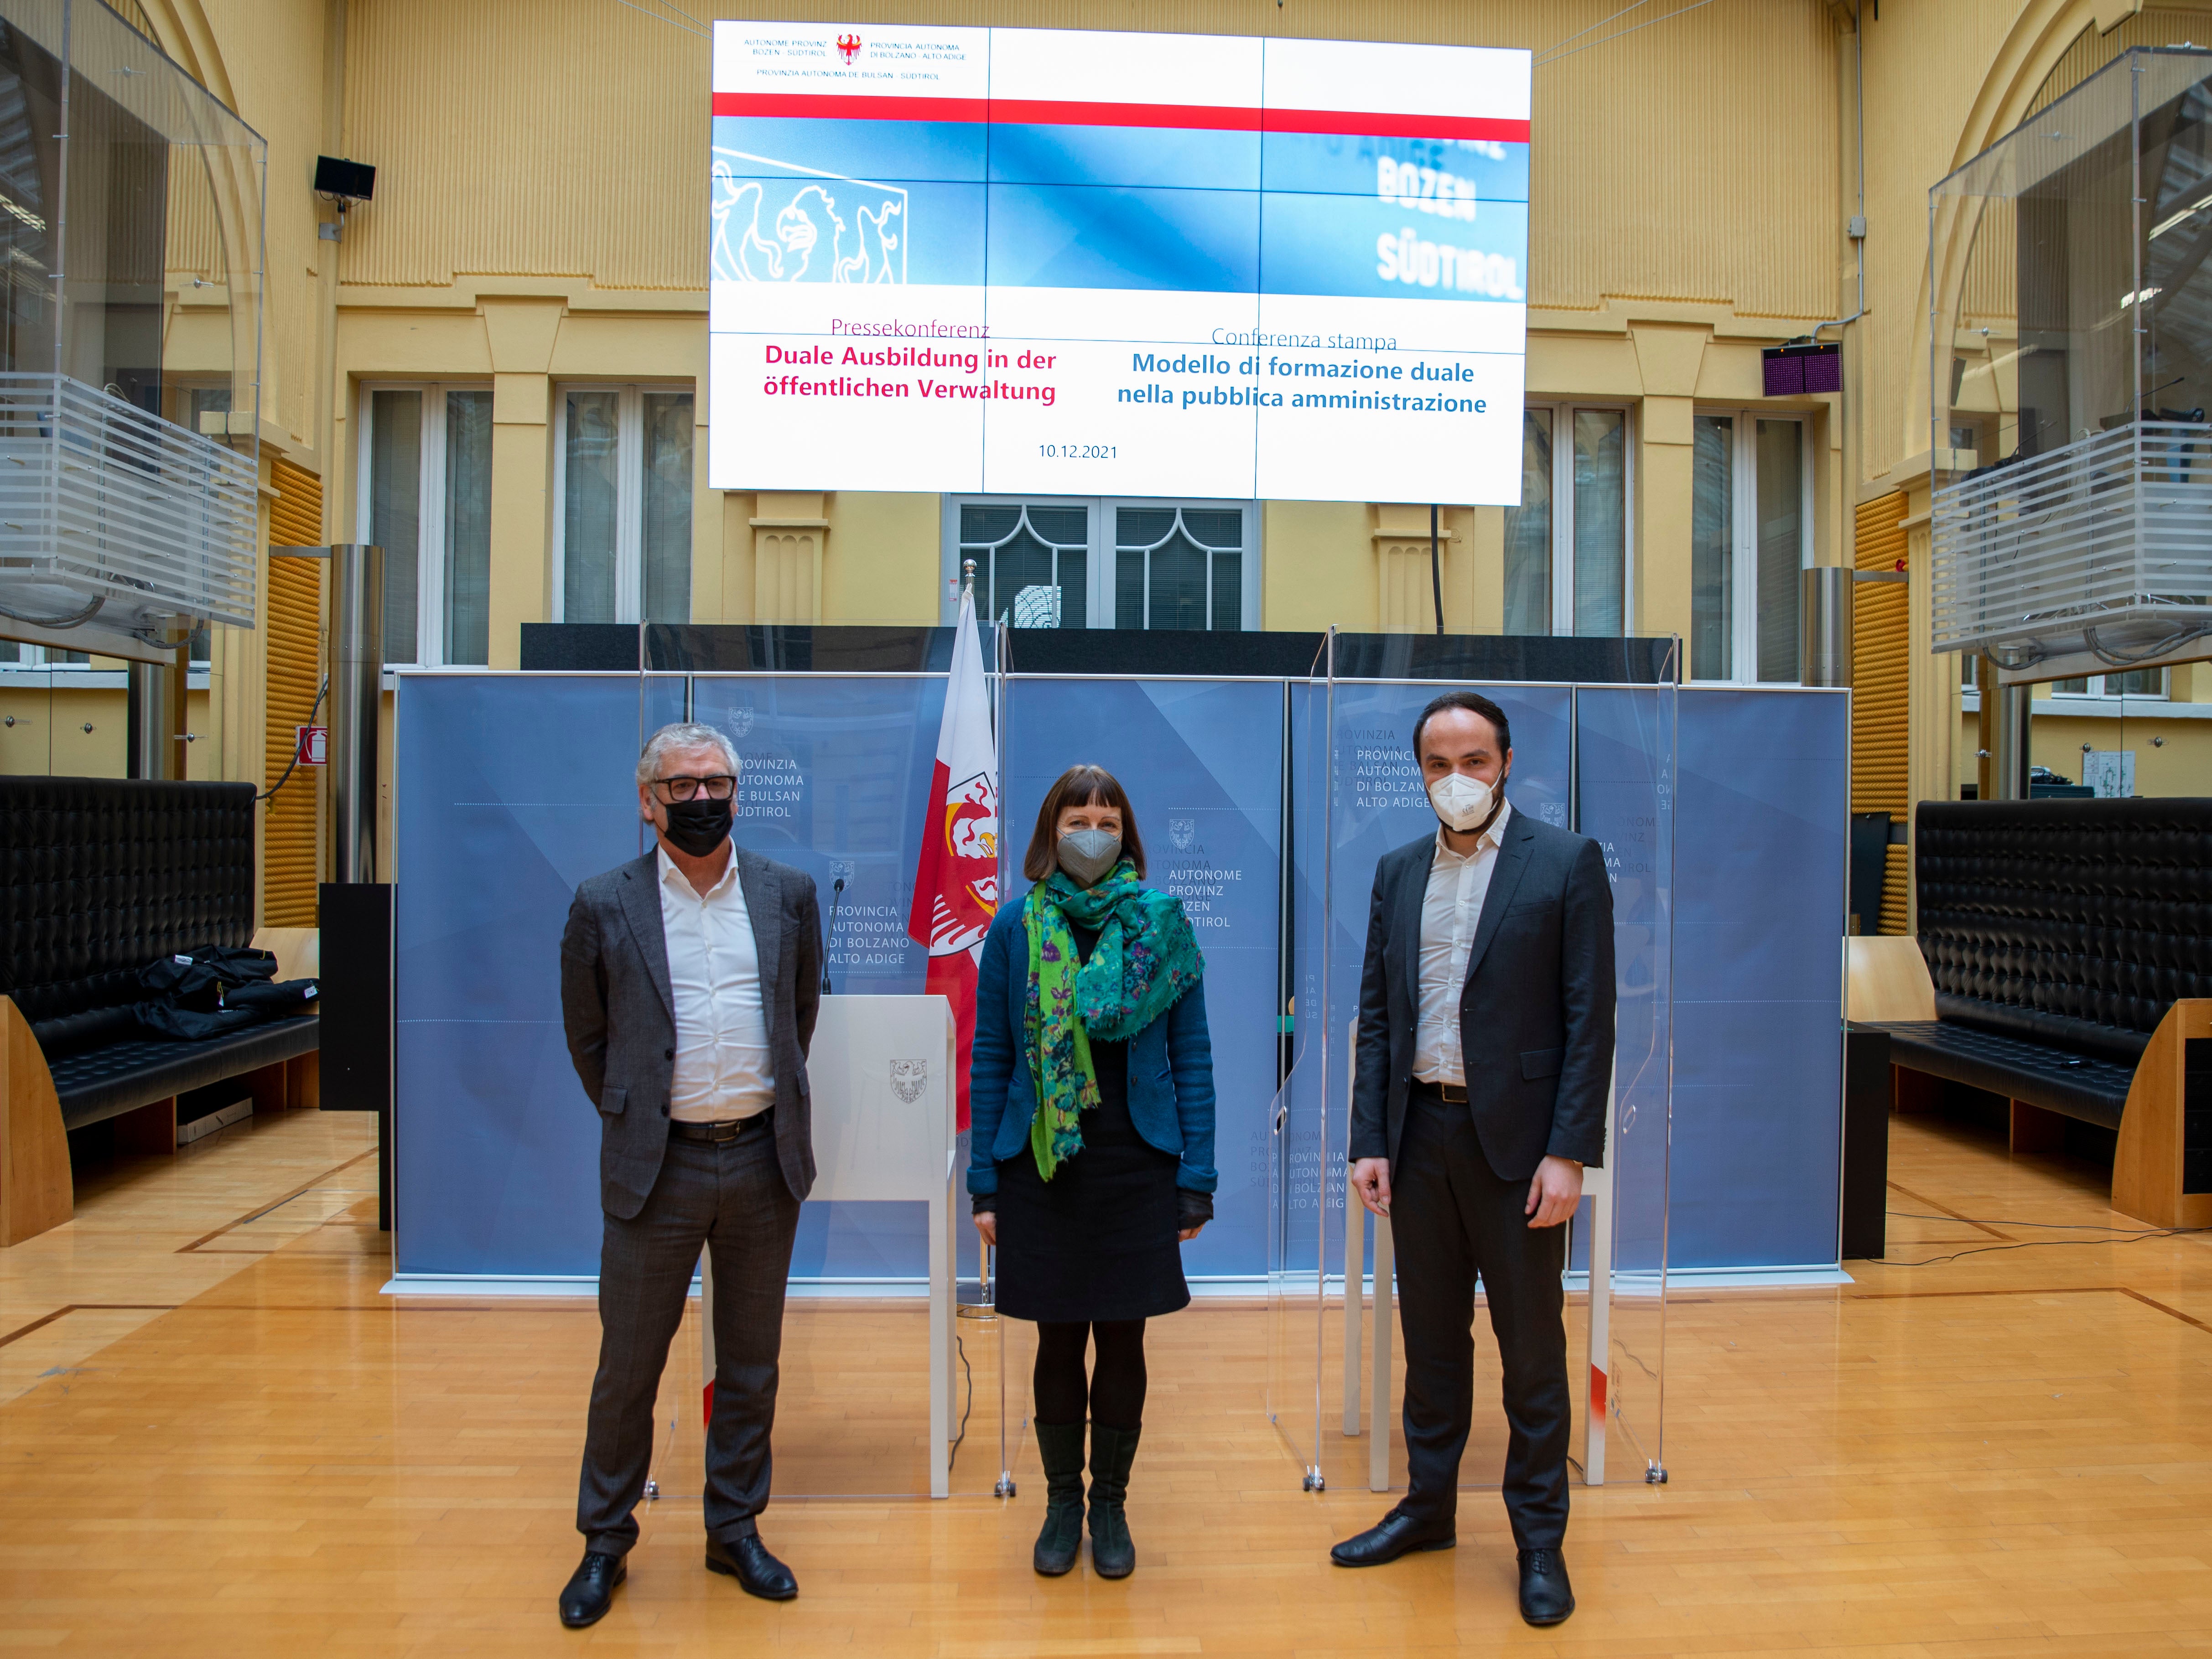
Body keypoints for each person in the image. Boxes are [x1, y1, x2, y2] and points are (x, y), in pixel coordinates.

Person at [1330, 691, 1615, 1629]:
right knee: (1432, 1341)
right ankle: (1429, 1507)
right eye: (1437, 763)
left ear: (1505, 762)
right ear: (1419, 770)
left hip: (1520, 1148)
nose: (1456, 779)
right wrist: (1368, 1137)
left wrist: (1570, 1152)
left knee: (1531, 1349)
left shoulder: (1566, 862)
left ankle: (1539, 1540)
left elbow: (1590, 1022)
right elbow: (1378, 1016)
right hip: (1419, 1138)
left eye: (1474, 761)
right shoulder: (1397, 870)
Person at [554, 721, 823, 1628]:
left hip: (760, 1158)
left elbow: (799, 1017)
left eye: (715, 783)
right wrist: (637, 1118)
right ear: (648, 800)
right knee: (628, 1364)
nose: (701, 799)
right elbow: (590, 1039)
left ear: (737, 792)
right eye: (681, 786)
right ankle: (604, 1540)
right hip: (655, 1167)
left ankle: (733, 1528)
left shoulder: (787, 894)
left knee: (750, 1364)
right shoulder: (602, 902)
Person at [968, 764, 1217, 1581]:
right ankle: (1059, 1503)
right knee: (1055, 1335)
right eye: (1079, 817)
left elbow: (1192, 1058)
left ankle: (1108, 1502)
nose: (1093, 833)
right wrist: (982, 1181)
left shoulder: (1162, 926)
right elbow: (993, 1054)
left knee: (1122, 1335)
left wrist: (1198, 1176)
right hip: (1040, 1162)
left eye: (1108, 820)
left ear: (1127, 833)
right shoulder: (1015, 926)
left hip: (1135, 1162)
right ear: (1051, 829)